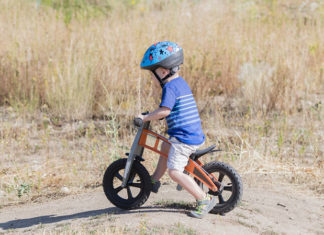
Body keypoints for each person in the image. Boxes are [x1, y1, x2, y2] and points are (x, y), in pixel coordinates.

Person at [137, 41, 217, 219]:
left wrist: (145, 117)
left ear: (164, 71)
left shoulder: (170, 88)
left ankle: (204, 199)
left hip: (184, 139)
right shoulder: (180, 83)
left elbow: (165, 111)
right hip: (190, 134)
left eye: (153, 73)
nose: (152, 78)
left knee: (174, 171)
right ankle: (154, 181)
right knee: (165, 147)